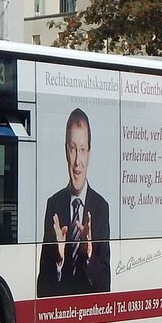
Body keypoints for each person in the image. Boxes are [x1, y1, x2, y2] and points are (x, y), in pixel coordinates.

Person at [37, 108, 111, 297]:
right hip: (61, 313)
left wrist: (89, 255)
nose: (77, 161)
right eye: (72, 149)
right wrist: (58, 259)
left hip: (91, 311)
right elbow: (42, 288)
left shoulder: (101, 208)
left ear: (89, 153)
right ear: (65, 152)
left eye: (82, 150)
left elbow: (105, 284)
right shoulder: (53, 205)